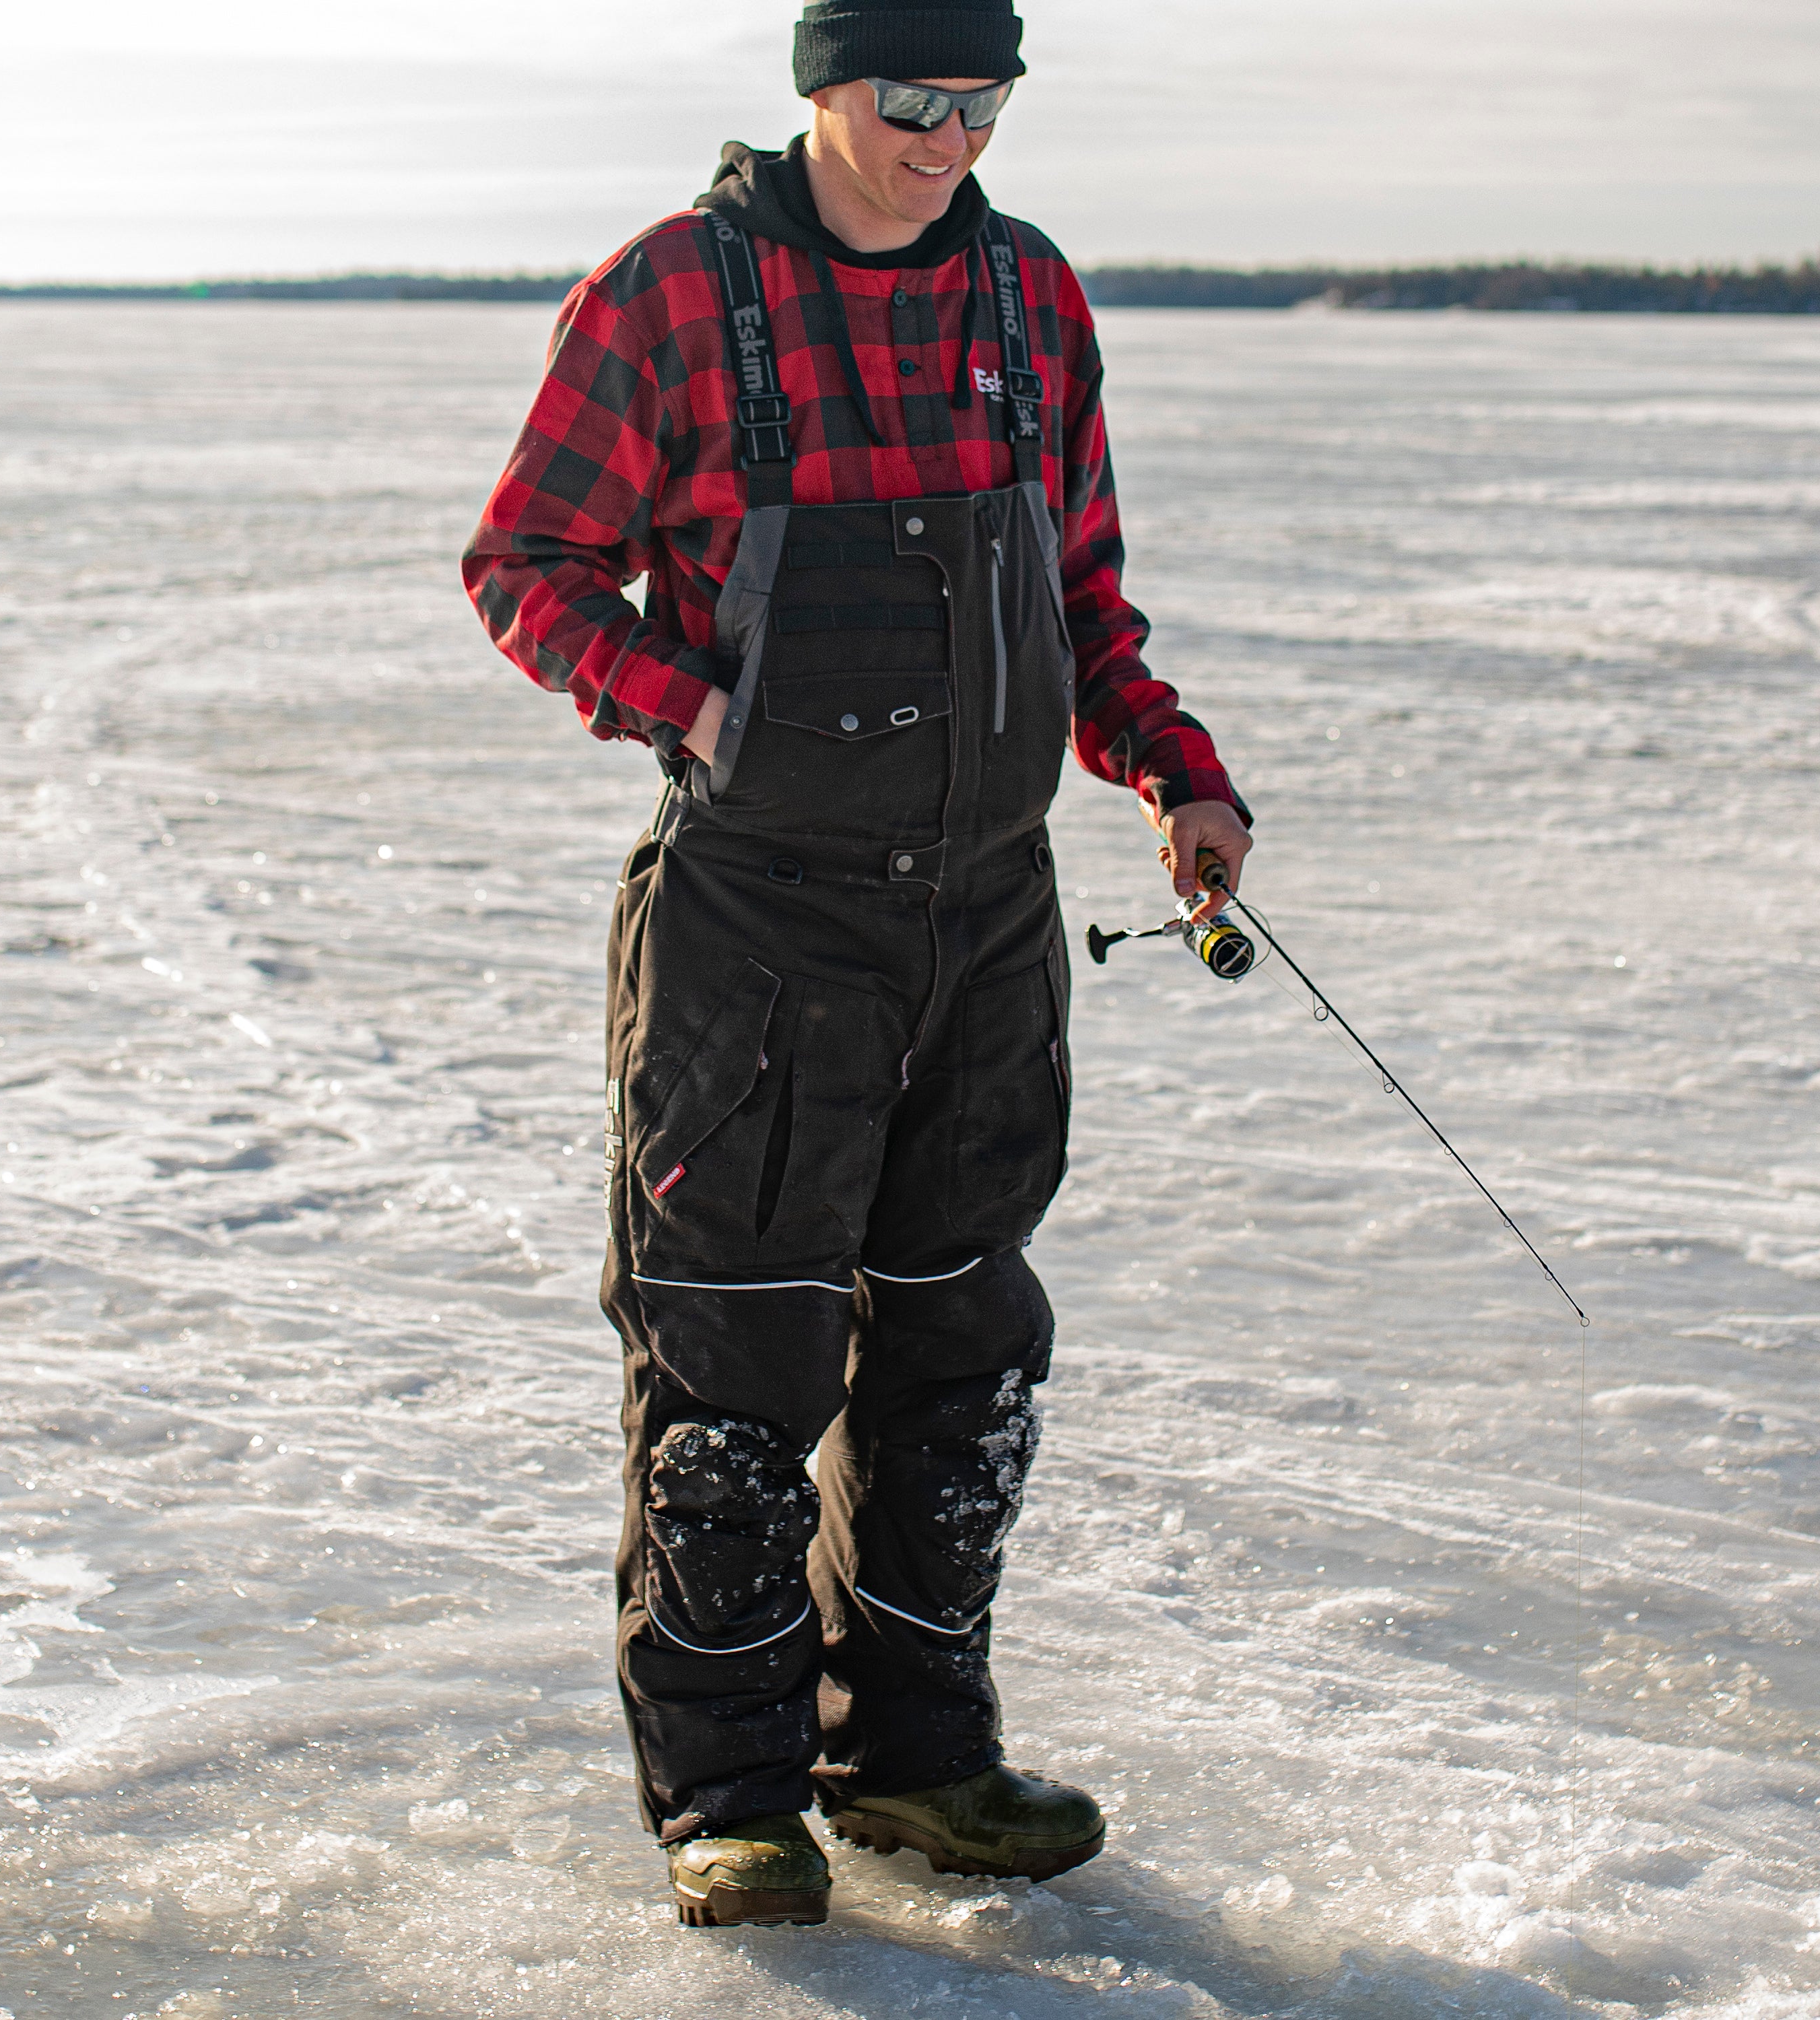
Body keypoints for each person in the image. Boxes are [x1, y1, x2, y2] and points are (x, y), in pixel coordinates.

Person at [463, 0, 1251, 1930]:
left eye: (986, 102)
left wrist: (1170, 765)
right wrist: (697, 715)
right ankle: (730, 1800)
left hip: (982, 924)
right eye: (915, 99)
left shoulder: (1030, 299)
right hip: (763, 932)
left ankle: (915, 1756)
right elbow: (526, 570)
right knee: (735, 1361)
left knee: (960, 1347)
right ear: (821, 86)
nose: (951, 138)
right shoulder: (667, 297)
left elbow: (1078, 596)